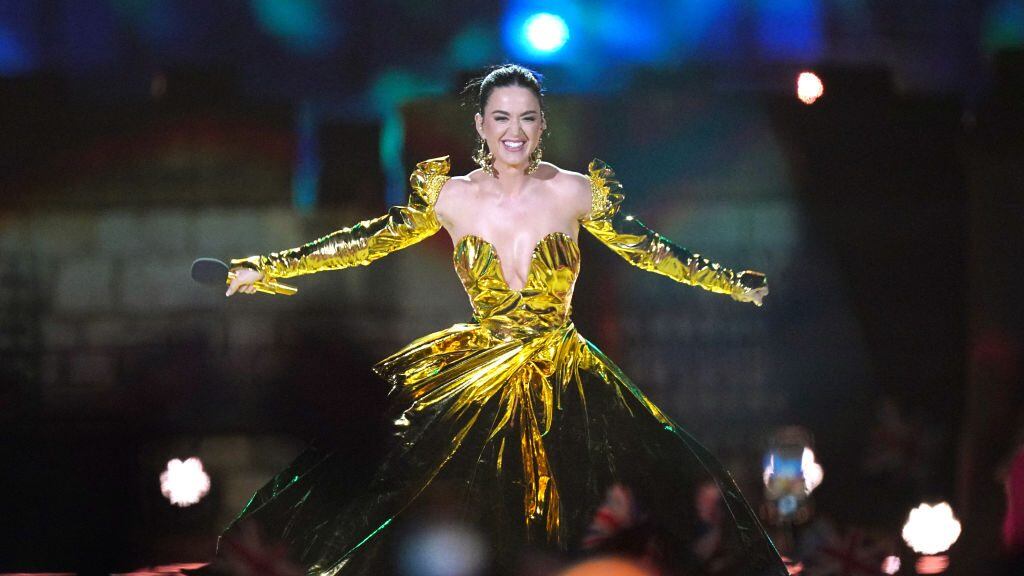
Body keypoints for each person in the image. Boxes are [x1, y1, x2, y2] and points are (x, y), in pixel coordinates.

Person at [204, 64, 784, 576]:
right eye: (501, 117)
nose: (514, 131)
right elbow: (367, 241)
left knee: (627, 482)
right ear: (480, 125)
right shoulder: (450, 196)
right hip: (481, 365)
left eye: (527, 118)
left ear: (542, 126)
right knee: (411, 477)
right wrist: (270, 265)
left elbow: (647, 249)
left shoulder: (576, 192)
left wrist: (729, 281)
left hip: (565, 368)